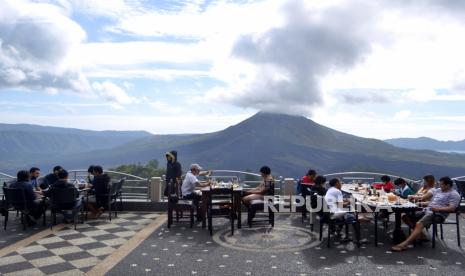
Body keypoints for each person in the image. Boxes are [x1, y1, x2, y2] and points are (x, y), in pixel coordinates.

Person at [392, 177, 461, 252]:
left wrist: (438, 209)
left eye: (441, 184)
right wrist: (418, 201)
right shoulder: (438, 191)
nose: (439, 186)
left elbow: (451, 208)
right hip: (427, 210)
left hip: (438, 214)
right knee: (404, 216)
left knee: (419, 224)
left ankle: (404, 244)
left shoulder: (454, 194)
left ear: (448, 185)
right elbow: (427, 200)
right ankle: (421, 234)